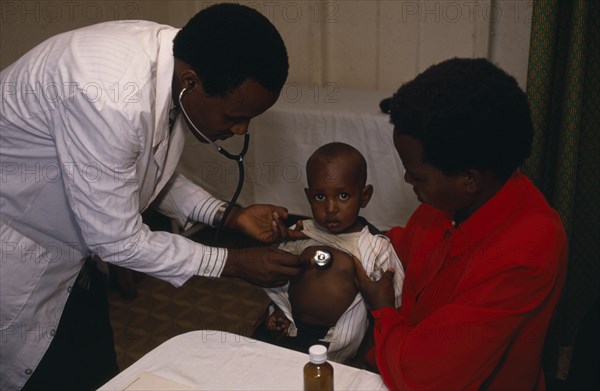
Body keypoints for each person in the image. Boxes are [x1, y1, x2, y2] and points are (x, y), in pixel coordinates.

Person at [0, 4, 306, 390]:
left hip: (71, 259)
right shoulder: (109, 98)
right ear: (191, 83)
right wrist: (233, 263)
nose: (241, 129)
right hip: (17, 255)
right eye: (233, 116)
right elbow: (120, 241)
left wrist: (228, 216)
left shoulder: (174, 57)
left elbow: (139, 167)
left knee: (96, 376)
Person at [353, 58, 568, 390]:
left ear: (469, 179)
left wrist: (382, 310)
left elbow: (424, 377)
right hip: (394, 358)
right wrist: (341, 239)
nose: (407, 178)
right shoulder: (450, 201)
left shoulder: (527, 249)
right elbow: (406, 247)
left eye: (417, 174)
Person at [257, 142, 404, 363]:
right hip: (293, 331)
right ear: (308, 197)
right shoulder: (301, 234)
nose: (331, 208)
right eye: (319, 197)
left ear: (364, 196)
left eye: (343, 196)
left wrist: (371, 352)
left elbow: (393, 303)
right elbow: (280, 281)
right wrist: (278, 313)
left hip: (339, 342)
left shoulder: (375, 247)